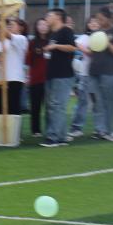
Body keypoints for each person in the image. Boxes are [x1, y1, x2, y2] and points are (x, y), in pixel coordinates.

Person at [42, 8, 78, 147]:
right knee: (54, 106)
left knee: (58, 105)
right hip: (52, 74)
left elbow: (72, 48)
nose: (46, 18)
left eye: (49, 15)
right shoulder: (53, 33)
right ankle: (61, 136)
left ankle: (53, 137)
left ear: (58, 17)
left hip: (63, 75)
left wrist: (55, 46)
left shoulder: (66, 30)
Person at [86, 10, 113, 140]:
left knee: (108, 101)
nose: (99, 22)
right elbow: (92, 50)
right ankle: (99, 129)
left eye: (101, 19)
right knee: (96, 101)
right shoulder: (96, 33)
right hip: (93, 70)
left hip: (109, 71)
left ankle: (108, 130)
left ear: (108, 18)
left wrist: (107, 42)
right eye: (97, 19)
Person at [26, 17, 50, 137]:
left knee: (50, 106)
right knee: (35, 106)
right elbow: (28, 61)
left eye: (45, 24)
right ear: (36, 27)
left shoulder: (52, 41)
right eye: (40, 24)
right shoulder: (32, 42)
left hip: (50, 78)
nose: (43, 27)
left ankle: (51, 128)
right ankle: (35, 130)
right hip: (35, 79)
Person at [70, 14, 91, 138]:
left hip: (97, 73)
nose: (94, 24)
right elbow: (76, 44)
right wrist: (87, 50)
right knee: (83, 101)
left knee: (97, 102)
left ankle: (100, 129)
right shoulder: (84, 37)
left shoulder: (102, 36)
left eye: (96, 21)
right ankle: (76, 127)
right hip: (85, 73)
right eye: (91, 22)